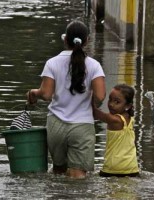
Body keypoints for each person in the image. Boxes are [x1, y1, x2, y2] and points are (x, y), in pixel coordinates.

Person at [26, 20, 106, 179]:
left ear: (65, 40)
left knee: (58, 173)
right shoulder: (94, 65)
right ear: (87, 41)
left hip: (56, 126)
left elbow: (46, 94)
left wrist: (34, 93)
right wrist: (92, 106)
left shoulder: (52, 63)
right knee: (78, 177)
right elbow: (100, 96)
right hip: (82, 126)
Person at [92, 84, 140, 177]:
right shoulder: (130, 119)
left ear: (128, 106)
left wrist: (89, 96)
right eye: (110, 99)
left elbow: (94, 112)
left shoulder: (115, 120)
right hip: (132, 168)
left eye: (117, 102)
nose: (111, 104)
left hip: (113, 169)